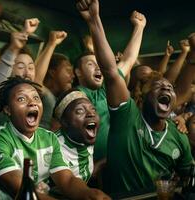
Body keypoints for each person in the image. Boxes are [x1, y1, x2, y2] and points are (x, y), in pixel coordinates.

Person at [76, 0, 194, 195]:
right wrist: (94, 20)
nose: (166, 88)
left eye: (169, 88)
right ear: (143, 96)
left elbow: (187, 174)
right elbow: (112, 72)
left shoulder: (177, 134)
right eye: (157, 86)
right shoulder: (127, 117)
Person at [0, 76, 110, 200]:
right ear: (8, 109)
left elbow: (67, 180)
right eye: (21, 99)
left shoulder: (49, 138)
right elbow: (22, 190)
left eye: (36, 98)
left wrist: (89, 194)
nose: (32, 102)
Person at [74, 10, 146, 162]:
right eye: (90, 64)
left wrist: (139, 27)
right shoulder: (75, 96)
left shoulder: (107, 89)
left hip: (119, 165)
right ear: (78, 72)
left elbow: (128, 60)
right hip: (88, 172)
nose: (98, 67)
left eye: (98, 63)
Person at [53, 89, 100, 183]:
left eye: (93, 109)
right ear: (65, 121)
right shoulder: (54, 148)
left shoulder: (83, 136)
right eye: (80, 111)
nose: (91, 114)